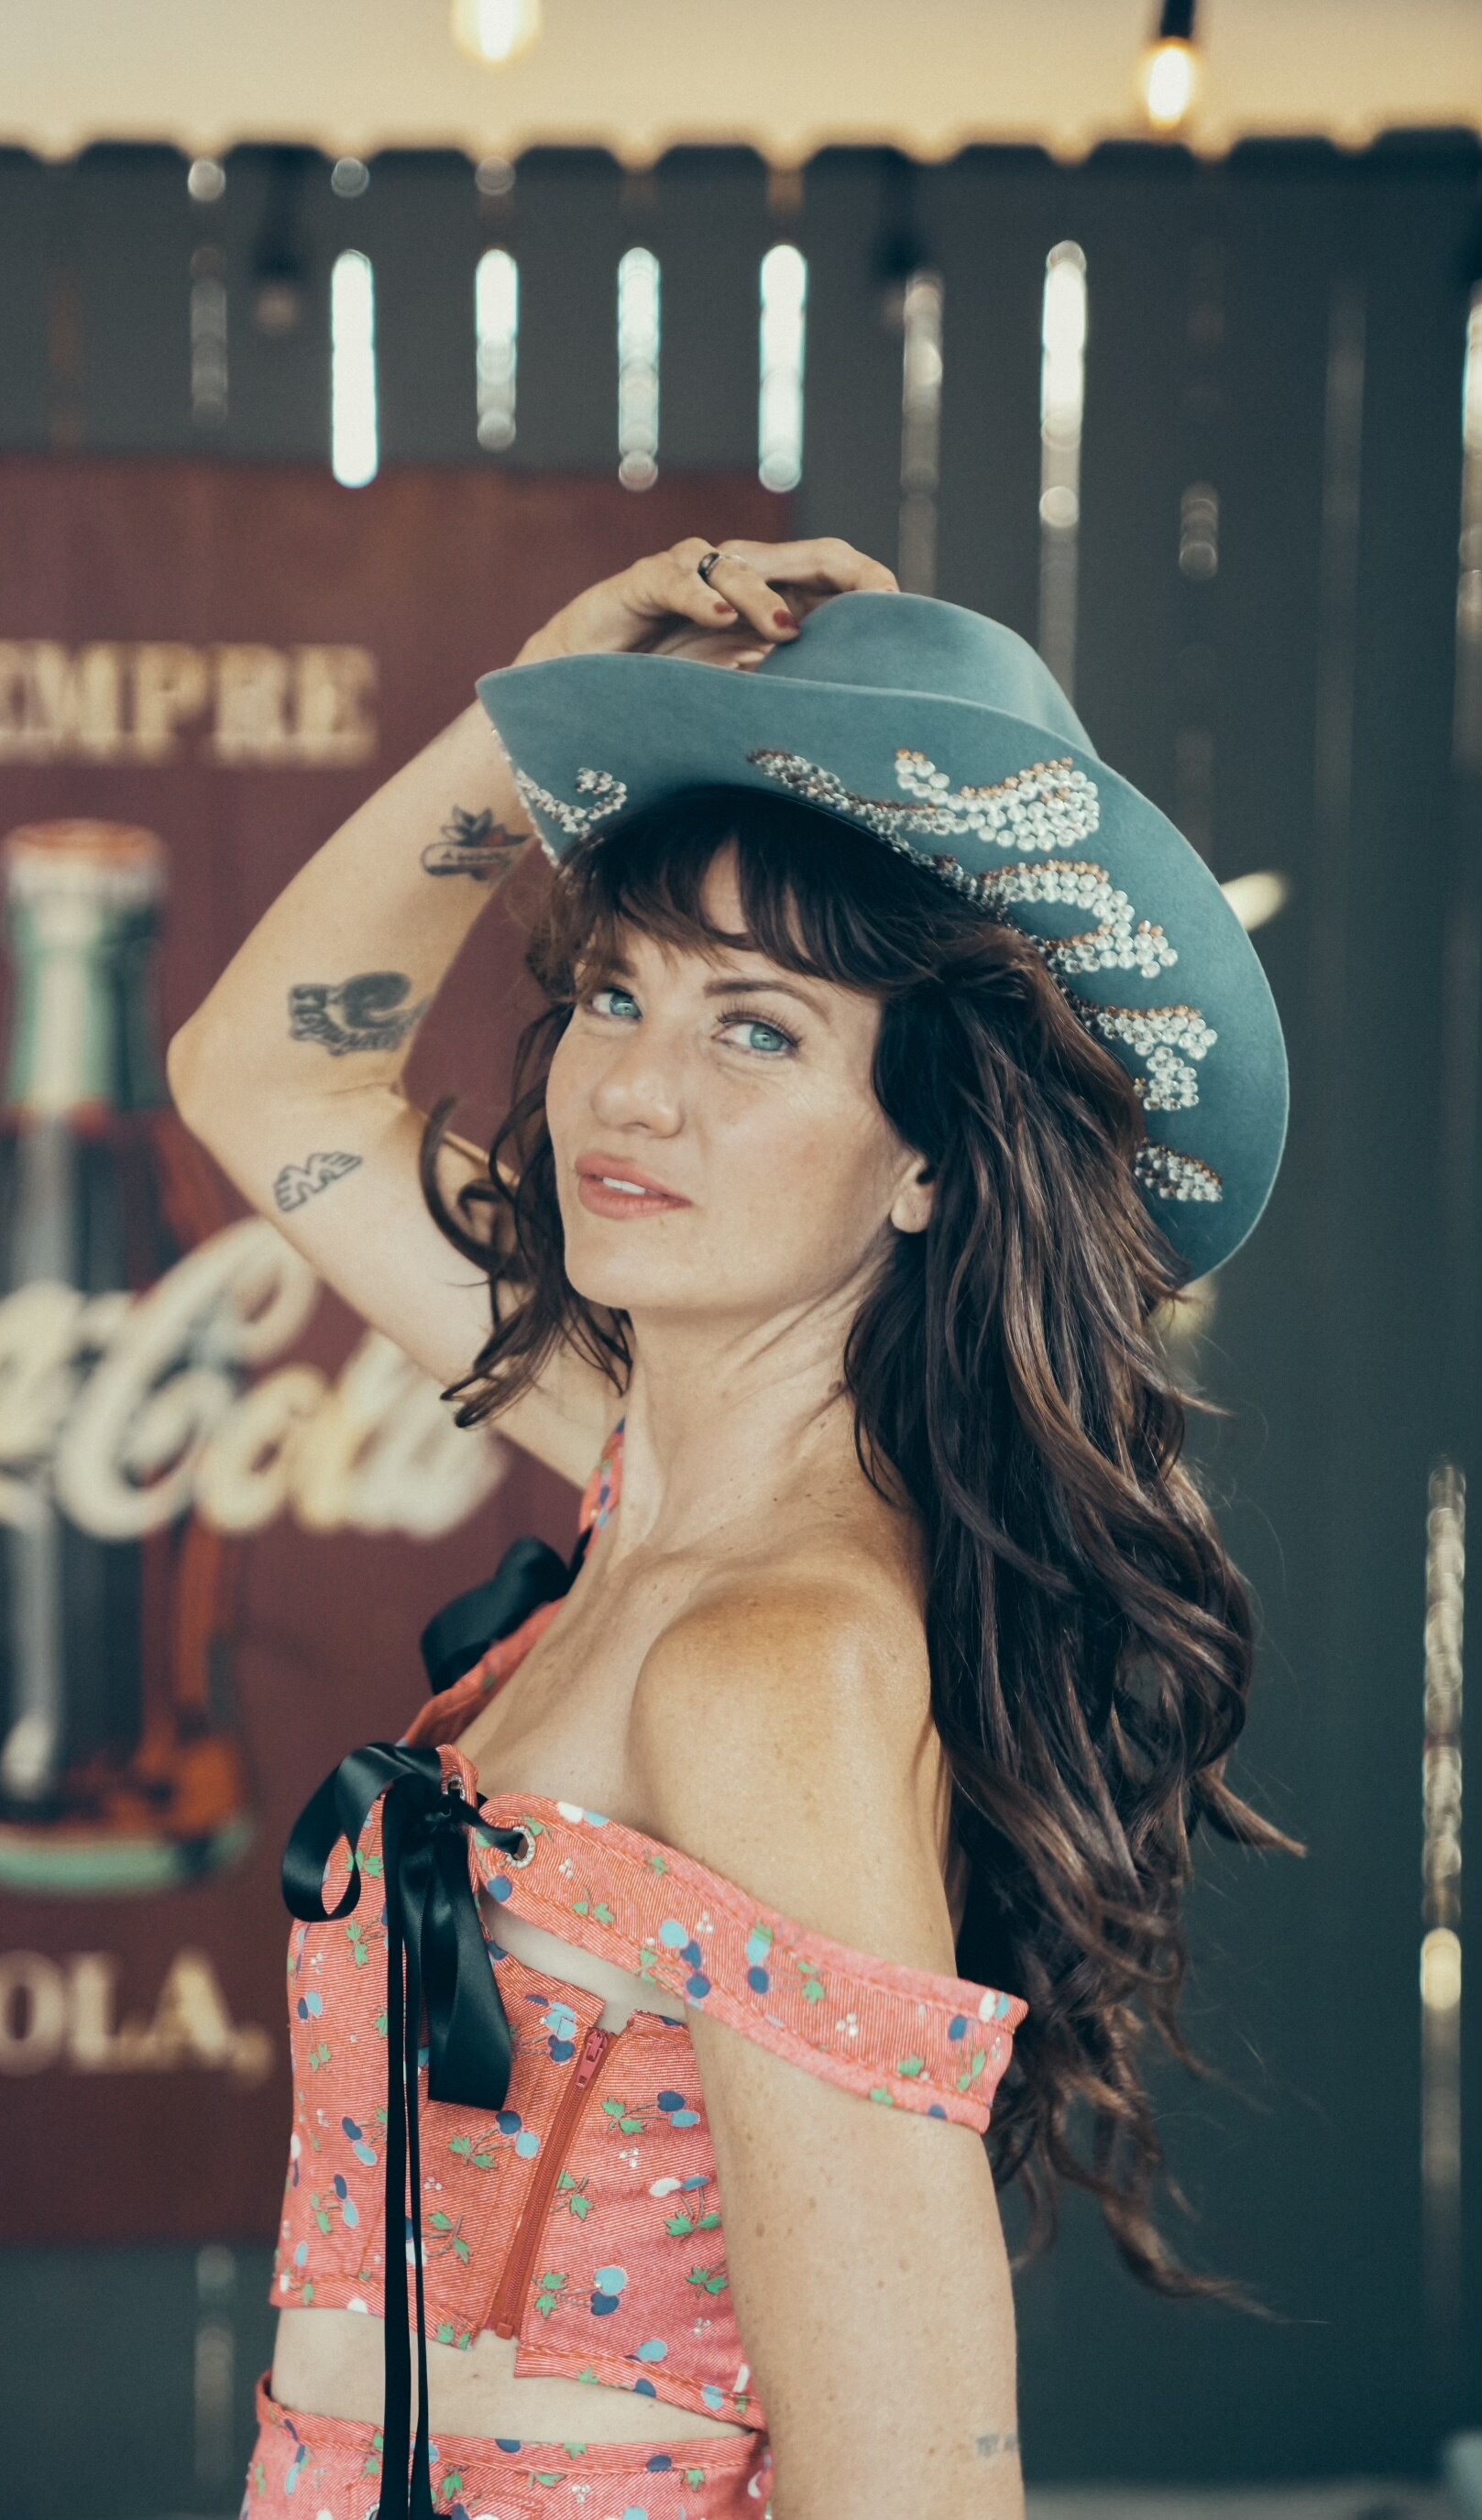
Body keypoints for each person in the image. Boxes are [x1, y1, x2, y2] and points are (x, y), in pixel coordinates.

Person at [169, 536, 1294, 2520]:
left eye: (755, 1030)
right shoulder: (638, 1459)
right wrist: (519, 724)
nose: (630, 1094)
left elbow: (909, 2482)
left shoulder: (771, 1657)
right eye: (617, 993)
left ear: (934, 1159)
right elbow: (260, 1076)